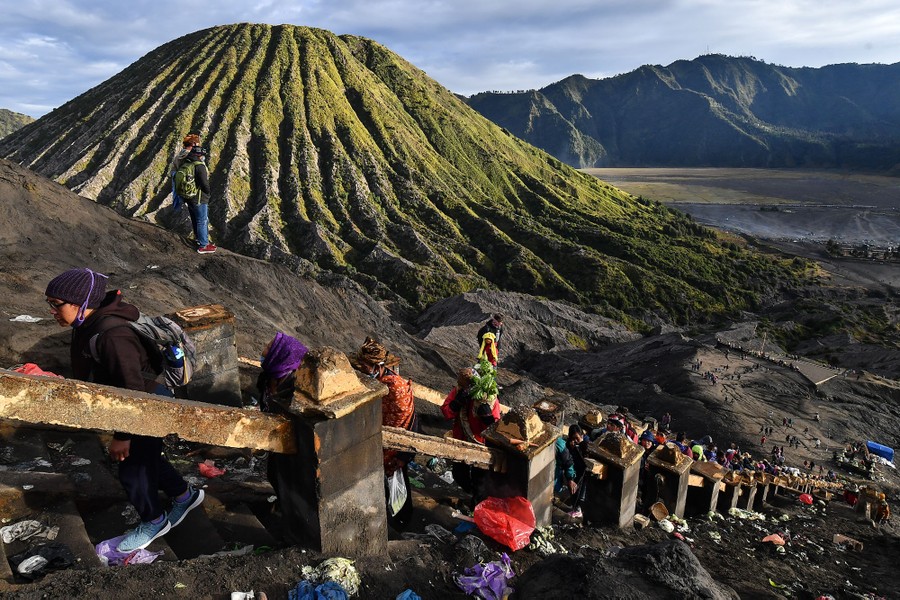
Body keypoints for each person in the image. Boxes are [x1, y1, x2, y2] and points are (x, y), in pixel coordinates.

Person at [44, 268, 204, 553]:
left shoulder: (112, 336)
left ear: (81, 303)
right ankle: (184, 495)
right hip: (141, 403)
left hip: (146, 406)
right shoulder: (90, 323)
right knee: (147, 456)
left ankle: (154, 520)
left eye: (56, 305)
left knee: (132, 468)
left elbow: (132, 392)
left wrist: (123, 435)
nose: (52, 311)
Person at [441, 368, 501, 507]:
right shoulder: (457, 392)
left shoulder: (489, 398)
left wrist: (488, 418)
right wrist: (457, 402)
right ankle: (472, 494)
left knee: (480, 479)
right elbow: (446, 412)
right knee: (458, 474)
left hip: (480, 444)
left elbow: (497, 428)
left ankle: (478, 505)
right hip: (460, 441)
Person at [179, 145, 216, 254]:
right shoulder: (199, 166)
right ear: (200, 155)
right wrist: (208, 193)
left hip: (189, 197)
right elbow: (204, 183)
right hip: (199, 198)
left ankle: (198, 239)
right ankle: (204, 245)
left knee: (195, 219)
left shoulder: (186, 163)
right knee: (202, 220)